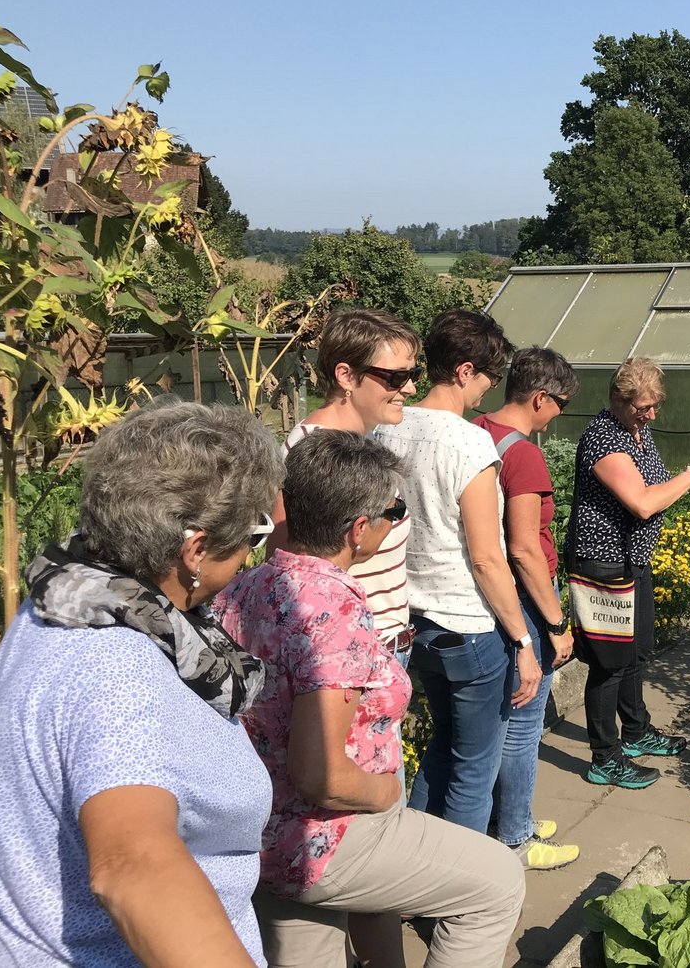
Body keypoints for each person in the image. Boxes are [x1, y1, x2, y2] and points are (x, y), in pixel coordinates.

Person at [0, 399, 283, 967]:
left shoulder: (65, 594)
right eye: (255, 534)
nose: (254, 555)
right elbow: (134, 867)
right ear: (196, 549)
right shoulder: (116, 664)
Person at [218, 430, 524, 968]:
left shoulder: (244, 588)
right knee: (496, 883)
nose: (396, 521)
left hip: (259, 836)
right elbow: (323, 777)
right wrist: (385, 795)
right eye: (395, 511)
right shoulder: (331, 607)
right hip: (325, 836)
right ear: (358, 529)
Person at [375, 309, 542, 833]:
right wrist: (523, 640)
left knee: (443, 746)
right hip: (467, 627)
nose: (488, 394)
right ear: (465, 370)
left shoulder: (386, 428)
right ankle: (456, 898)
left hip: (413, 619)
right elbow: (488, 558)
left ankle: (415, 860)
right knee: (474, 769)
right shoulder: (468, 442)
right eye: (488, 379)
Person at [565, 357, 690, 789]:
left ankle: (634, 733)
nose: (650, 415)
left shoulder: (637, 430)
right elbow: (643, 502)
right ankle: (604, 757)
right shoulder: (603, 438)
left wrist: (679, 480)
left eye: (655, 406)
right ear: (617, 399)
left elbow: (652, 485)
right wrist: (687, 480)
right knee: (609, 664)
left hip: (634, 561)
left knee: (637, 652)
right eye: (642, 407)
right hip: (603, 564)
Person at [473, 347, 581, 870]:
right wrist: (557, 624)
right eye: (559, 403)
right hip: (523, 593)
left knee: (502, 715)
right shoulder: (523, 453)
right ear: (540, 398)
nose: (558, 415)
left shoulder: (476, 429)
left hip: (486, 597)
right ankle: (516, 835)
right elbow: (524, 548)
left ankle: (509, 815)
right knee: (524, 721)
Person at [270, 308, 424, 668]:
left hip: (378, 644)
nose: (411, 388)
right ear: (346, 376)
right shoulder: (312, 453)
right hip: (350, 653)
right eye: (395, 377)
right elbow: (290, 569)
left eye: (413, 374)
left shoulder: (360, 444)